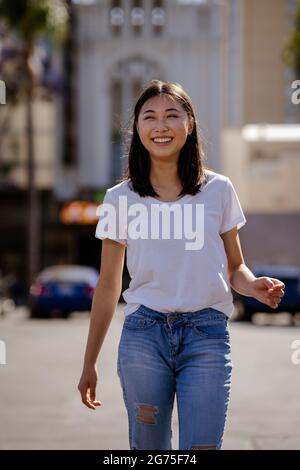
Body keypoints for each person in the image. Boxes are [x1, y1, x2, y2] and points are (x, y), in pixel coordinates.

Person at [78, 80, 285, 450]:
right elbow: (109, 284)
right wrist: (89, 361)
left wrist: (253, 285)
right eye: (150, 116)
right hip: (144, 335)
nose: (161, 126)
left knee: (202, 447)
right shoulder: (119, 199)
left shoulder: (219, 190)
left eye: (172, 115)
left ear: (189, 124)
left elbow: (236, 267)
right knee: (148, 449)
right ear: (137, 128)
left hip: (206, 334)